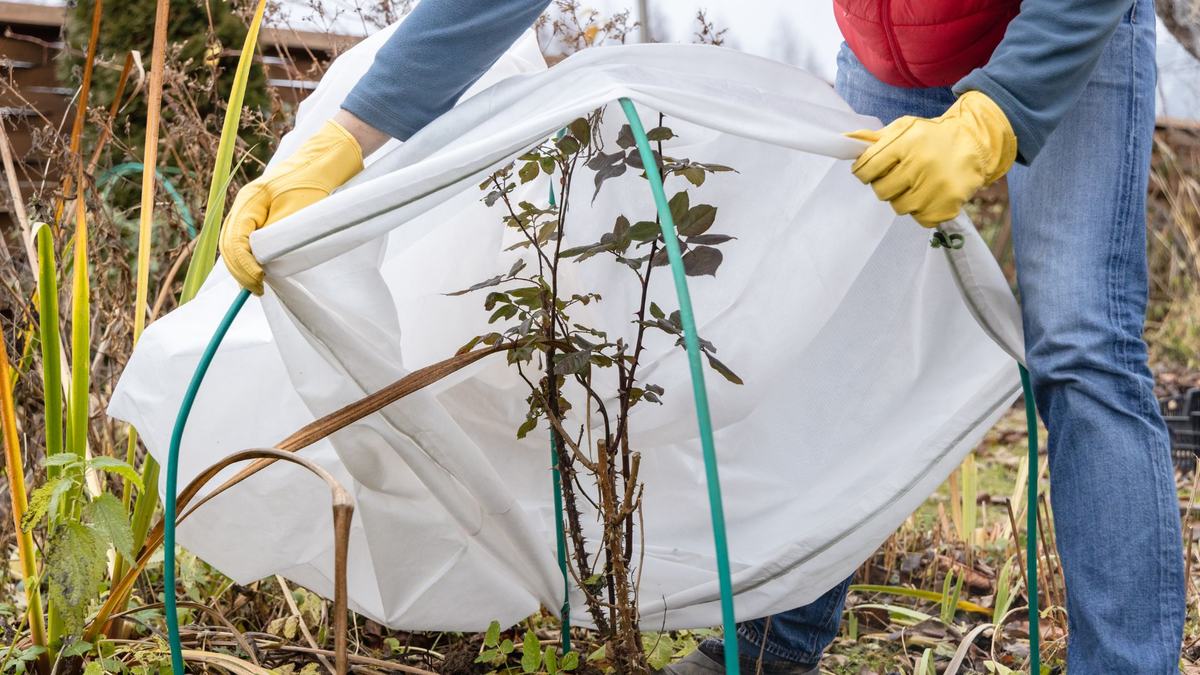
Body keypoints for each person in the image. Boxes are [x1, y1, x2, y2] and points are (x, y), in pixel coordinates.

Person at [218, 0, 1185, 672]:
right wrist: (344, 140)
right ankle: (774, 644)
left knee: (1080, 345)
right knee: (831, 335)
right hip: (890, 55)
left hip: (1066, 35)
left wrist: (995, 116)